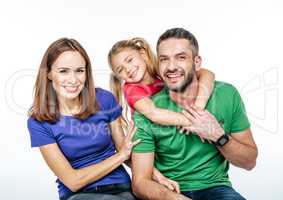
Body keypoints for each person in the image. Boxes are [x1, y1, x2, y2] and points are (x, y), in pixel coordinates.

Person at [27, 38, 171, 200]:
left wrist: (158, 178)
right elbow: (73, 181)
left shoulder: (104, 99)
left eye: (79, 70)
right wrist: (120, 156)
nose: (73, 79)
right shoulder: (39, 121)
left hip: (122, 187)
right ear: (49, 74)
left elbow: (127, 149)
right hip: (79, 194)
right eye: (63, 71)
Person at [131, 28, 258, 200]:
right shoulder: (147, 108)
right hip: (166, 191)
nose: (171, 67)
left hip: (215, 188)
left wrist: (218, 135)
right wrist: (174, 198)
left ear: (197, 62)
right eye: (164, 59)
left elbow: (249, 162)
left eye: (181, 57)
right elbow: (140, 183)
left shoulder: (227, 94)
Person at [108, 37, 215, 136]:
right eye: (120, 70)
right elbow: (154, 114)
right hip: (153, 137)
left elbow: (208, 74)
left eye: (130, 60)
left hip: (175, 130)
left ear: (142, 53)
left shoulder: (162, 71)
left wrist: (198, 109)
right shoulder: (131, 89)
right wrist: (196, 121)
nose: (127, 69)